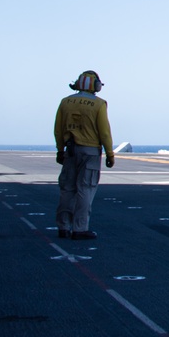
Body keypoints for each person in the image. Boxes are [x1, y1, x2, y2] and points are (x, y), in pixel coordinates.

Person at [54, 70, 114, 240]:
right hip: (90, 152)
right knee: (85, 189)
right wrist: (110, 154)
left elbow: (58, 129)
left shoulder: (65, 102)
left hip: (70, 151)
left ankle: (63, 227)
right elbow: (104, 132)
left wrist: (60, 150)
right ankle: (80, 228)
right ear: (95, 85)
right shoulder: (99, 104)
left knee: (67, 189)